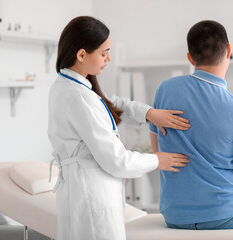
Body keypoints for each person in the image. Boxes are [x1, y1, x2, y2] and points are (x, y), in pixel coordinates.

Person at [48, 16, 190, 240]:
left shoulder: (71, 86)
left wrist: (149, 114)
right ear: (82, 54)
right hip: (92, 198)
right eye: (104, 53)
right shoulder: (78, 96)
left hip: (84, 192)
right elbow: (117, 161)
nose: (109, 58)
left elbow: (110, 104)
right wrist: (158, 160)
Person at [149, 20, 233, 230]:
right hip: (227, 215)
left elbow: (158, 153)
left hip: (174, 216)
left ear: (189, 57)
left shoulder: (165, 90)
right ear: (228, 51)